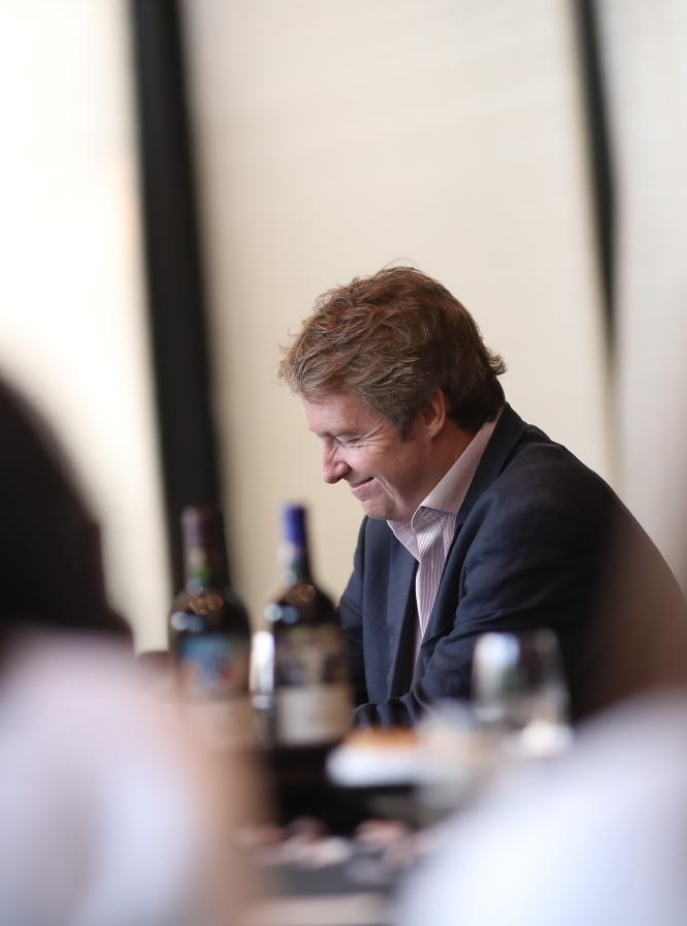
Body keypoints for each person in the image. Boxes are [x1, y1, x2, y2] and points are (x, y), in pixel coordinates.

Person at [279, 266, 687, 726]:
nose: (330, 470)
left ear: (429, 413)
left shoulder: (535, 513)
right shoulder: (387, 523)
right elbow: (330, 692)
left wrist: (276, 736)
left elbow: (451, 723)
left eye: (349, 439)